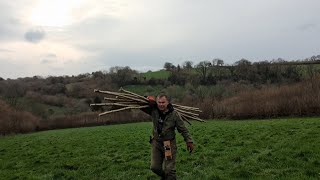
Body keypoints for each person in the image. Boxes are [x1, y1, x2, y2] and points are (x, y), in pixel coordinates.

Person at [142, 93, 194, 180]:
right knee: (155, 168)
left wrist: (189, 141)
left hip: (168, 144)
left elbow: (183, 129)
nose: (161, 104)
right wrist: (146, 98)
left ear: (168, 103)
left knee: (170, 170)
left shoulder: (174, 114)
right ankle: (164, 177)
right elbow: (140, 105)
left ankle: (169, 177)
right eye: (159, 102)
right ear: (156, 102)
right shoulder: (153, 110)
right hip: (156, 143)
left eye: (163, 102)